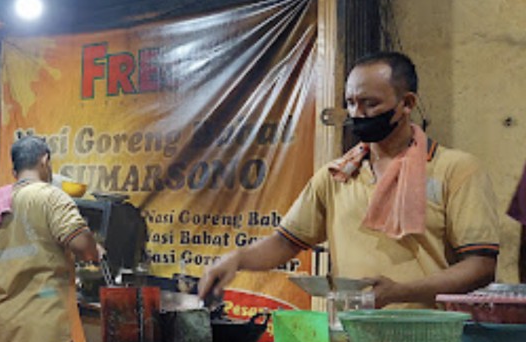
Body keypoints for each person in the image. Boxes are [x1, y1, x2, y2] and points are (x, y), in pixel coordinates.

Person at [199, 52, 499, 308]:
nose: (358, 113)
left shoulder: (457, 170)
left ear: (407, 104)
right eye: (351, 103)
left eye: (370, 103)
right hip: (351, 339)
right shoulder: (336, 176)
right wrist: (236, 259)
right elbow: (284, 242)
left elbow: (481, 266)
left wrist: (400, 293)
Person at [0, 135, 100, 342]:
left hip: (8, 321)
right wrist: (94, 247)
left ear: (15, 170)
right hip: (45, 322)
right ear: (45, 160)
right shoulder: (50, 197)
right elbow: (82, 245)